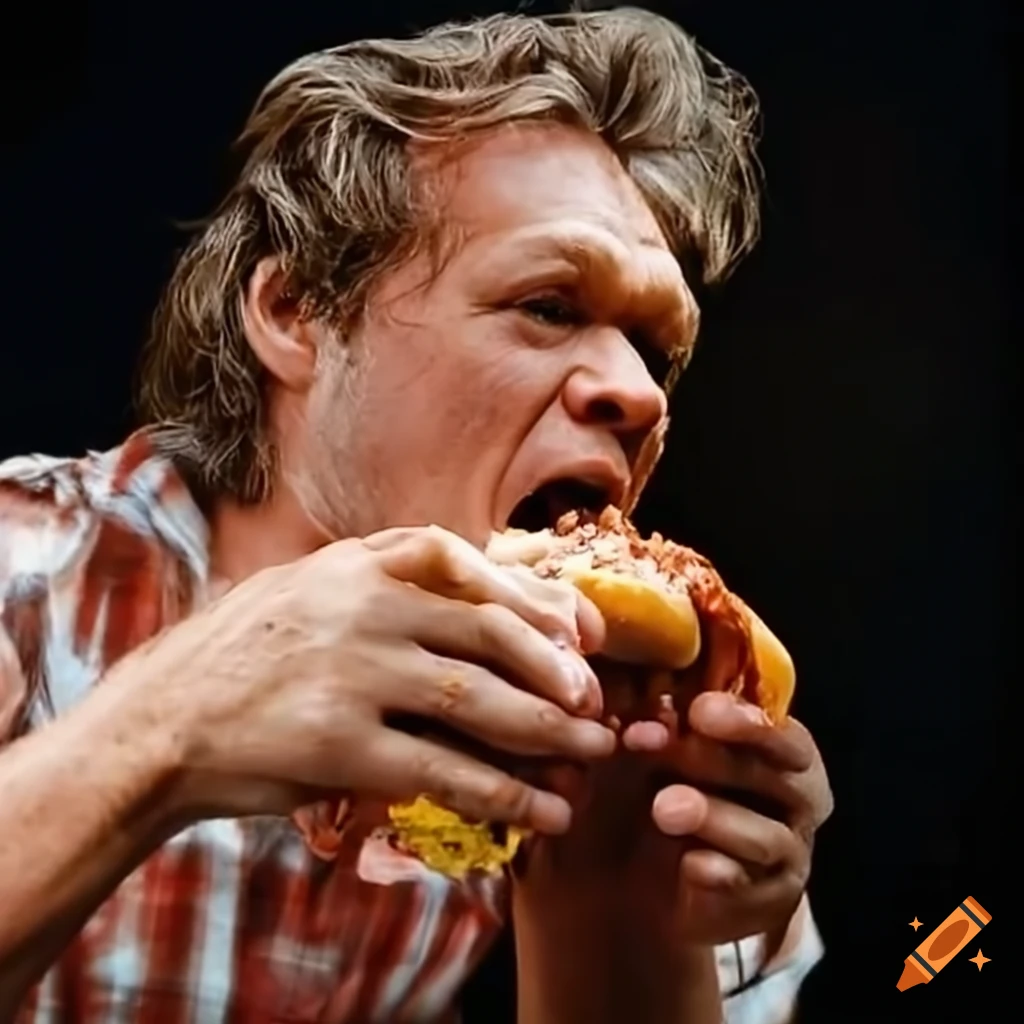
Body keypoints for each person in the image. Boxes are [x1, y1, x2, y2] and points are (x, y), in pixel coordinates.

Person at [0, 7, 832, 1023]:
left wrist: (621, 909)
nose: (639, 393)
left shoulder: (645, 742)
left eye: (655, 349)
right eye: (550, 305)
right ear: (295, 312)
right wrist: (169, 726)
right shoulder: (25, 573)